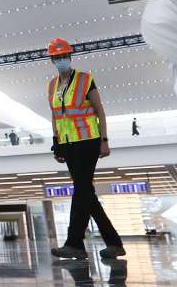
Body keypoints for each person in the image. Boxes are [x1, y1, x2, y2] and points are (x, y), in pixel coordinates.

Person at [46, 37, 125, 261]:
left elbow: (99, 110)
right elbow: (56, 115)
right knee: (86, 193)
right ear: (52, 60)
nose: (61, 60)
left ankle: (74, 243)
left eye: (64, 56)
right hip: (69, 143)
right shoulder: (51, 85)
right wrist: (57, 142)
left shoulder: (85, 79)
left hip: (88, 140)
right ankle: (113, 243)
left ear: (69, 57)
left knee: (81, 190)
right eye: (57, 57)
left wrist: (104, 139)